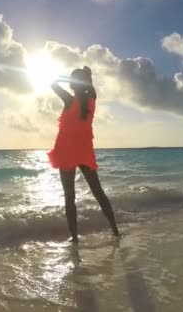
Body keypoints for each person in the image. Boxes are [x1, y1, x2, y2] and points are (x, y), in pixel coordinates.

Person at [48, 66, 120, 243]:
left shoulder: (69, 100)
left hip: (66, 151)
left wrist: (67, 78)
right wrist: (87, 77)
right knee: (98, 192)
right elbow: (91, 86)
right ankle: (115, 231)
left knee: (69, 196)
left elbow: (52, 83)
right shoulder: (92, 100)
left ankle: (74, 238)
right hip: (84, 150)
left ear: (74, 84)